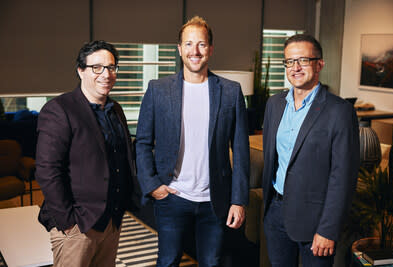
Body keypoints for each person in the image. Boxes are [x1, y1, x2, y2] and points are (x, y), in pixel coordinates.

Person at [135, 16, 250, 267]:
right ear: (179, 49)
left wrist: (239, 200)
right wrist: (153, 185)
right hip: (172, 196)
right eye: (188, 44)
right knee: (167, 261)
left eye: (201, 44)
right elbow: (142, 141)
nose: (194, 51)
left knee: (212, 262)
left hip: (215, 200)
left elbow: (241, 150)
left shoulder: (230, 91)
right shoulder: (158, 89)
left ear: (210, 49)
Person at [35, 40, 141, 267]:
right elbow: (47, 170)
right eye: (97, 67)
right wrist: (68, 222)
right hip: (77, 225)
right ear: (81, 70)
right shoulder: (59, 109)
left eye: (111, 67)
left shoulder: (115, 109)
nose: (106, 74)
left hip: (111, 222)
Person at [262, 34, 360, 267]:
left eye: (303, 60)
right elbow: (272, 160)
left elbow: (343, 177)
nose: (295, 67)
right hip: (275, 213)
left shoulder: (340, 111)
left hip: (316, 223)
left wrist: (328, 229)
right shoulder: (274, 104)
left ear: (319, 64)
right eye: (289, 61)